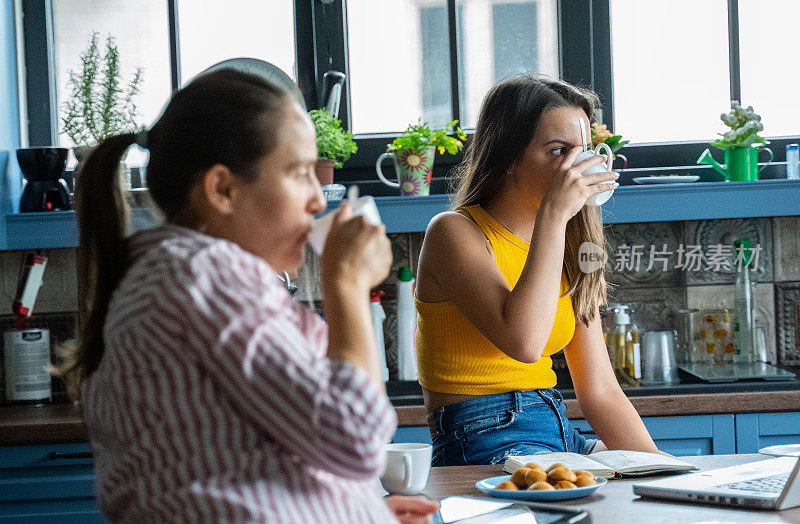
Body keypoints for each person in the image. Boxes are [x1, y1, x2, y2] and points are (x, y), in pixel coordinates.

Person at [61, 68, 438, 523]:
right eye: (299, 173)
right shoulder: (204, 276)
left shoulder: (177, 275)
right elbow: (354, 439)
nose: (319, 201)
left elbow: (245, 460)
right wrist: (347, 285)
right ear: (222, 189)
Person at [415, 74, 660, 466]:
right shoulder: (453, 232)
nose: (574, 168)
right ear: (510, 158)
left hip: (558, 428)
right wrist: (555, 214)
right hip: (486, 433)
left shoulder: (574, 243)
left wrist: (665, 474)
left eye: (581, 151)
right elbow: (525, 343)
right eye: (558, 150)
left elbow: (599, 391)